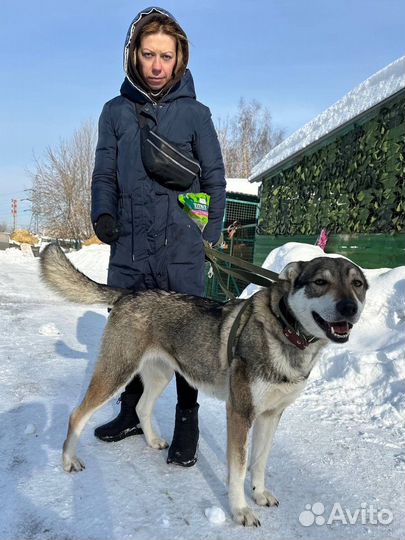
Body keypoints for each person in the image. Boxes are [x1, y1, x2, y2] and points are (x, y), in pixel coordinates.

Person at [91, 7, 226, 467]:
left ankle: (186, 423)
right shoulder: (114, 112)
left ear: (179, 59)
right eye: (148, 54)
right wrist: (104, 215)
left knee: (189, 341)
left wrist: (201, 227)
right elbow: (103, 173)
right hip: (129, 247)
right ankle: (129, 413)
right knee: (130, 335)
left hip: (179, 252)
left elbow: (214, 179)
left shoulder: (196, 114)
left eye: (165, 56)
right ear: (134, 55)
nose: (156, 65)